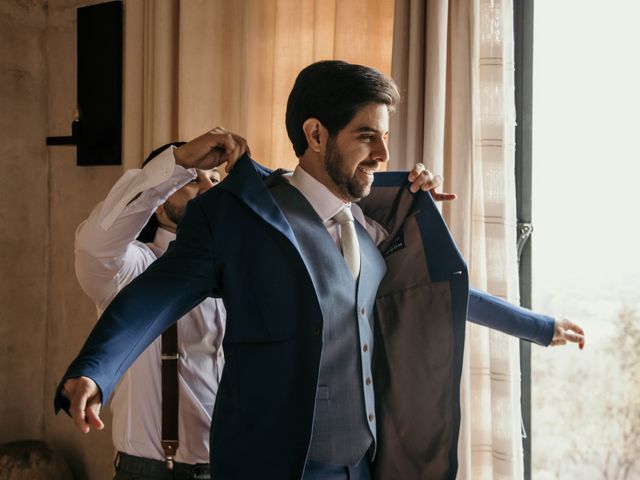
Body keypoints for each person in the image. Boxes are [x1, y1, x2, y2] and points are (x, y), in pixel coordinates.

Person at [56, 60, 584, 480]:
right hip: (276, 467)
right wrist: (95, 371)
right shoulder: (238, 218)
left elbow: (434, 293)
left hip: (363, 466)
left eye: (384, 138)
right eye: (366, 136)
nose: (383, 152)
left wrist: (538, 326)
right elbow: (153, 296)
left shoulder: (370, 225)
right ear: (315, 134)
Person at [73, 128, 248, 480]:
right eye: (192, 181)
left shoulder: (245, 272)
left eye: (216, 179)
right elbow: (95, 244)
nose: (209, 189)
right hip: (152, 472)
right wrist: (179, 162)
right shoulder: (132, 267)